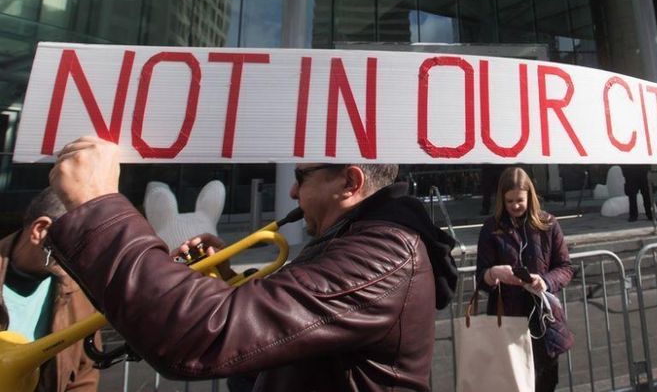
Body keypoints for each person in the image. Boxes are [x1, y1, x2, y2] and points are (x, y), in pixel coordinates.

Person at [45, 136, 458, 391]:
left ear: (350, 183)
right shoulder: (358, 239)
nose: (292, 191)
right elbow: (287, 333)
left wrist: (98, 207)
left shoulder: (381, 253)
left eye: (302, 176)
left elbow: (200, 334)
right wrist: (223, 282)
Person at [476, 167, 574, 392]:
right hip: (508, 319)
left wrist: (546, 281)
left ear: (530, 196)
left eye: (519, 200)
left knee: (545, 383)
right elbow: (481, 276)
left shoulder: (548, 224)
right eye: (509, 201)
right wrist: (493, 274)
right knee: (512, 384)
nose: (515, 206)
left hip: (544, 321)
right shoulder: (491, 228)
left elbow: (565, 267)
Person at [0, 187, 100, 392]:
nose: (90, 255)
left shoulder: (81, 291)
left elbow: (84, 374)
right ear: (40, 230)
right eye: (83, 243)